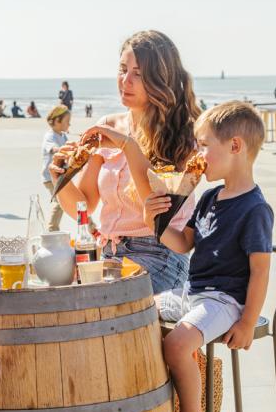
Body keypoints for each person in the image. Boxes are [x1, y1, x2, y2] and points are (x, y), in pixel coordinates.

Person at [144, 101, 273, 412]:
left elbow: (261, 270)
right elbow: (184, 244)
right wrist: (156, 223)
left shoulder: (255, 209)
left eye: (203, 145)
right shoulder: (209, 197)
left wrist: (247, 322)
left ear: (235, 146)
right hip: (192, 292)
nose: (196, 154)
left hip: (225, 300)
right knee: (135, 313)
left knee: (175, 345)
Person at [50, 30, 200, 294]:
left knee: (101, 301)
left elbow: (159, 212)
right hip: (107, 254)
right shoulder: (107, 125)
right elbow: (84, 206)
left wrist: (128, 146)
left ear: (160, 78)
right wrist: (59, 178)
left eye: (138, 74)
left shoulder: (184, 134)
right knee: (52, 293)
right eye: (122, 70)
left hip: (160, 255)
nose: (125, 81)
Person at [41, 105, 70, 231]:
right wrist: (64, 150)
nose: (69, 125)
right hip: (50, 177)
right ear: (57, 121)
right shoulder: (50, 136)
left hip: (60, 176)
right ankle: (52, 229)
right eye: (67, 122)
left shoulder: (63, 136)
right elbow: (53, 148)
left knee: (72, 201)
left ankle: (91, 226)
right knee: (60, 202)